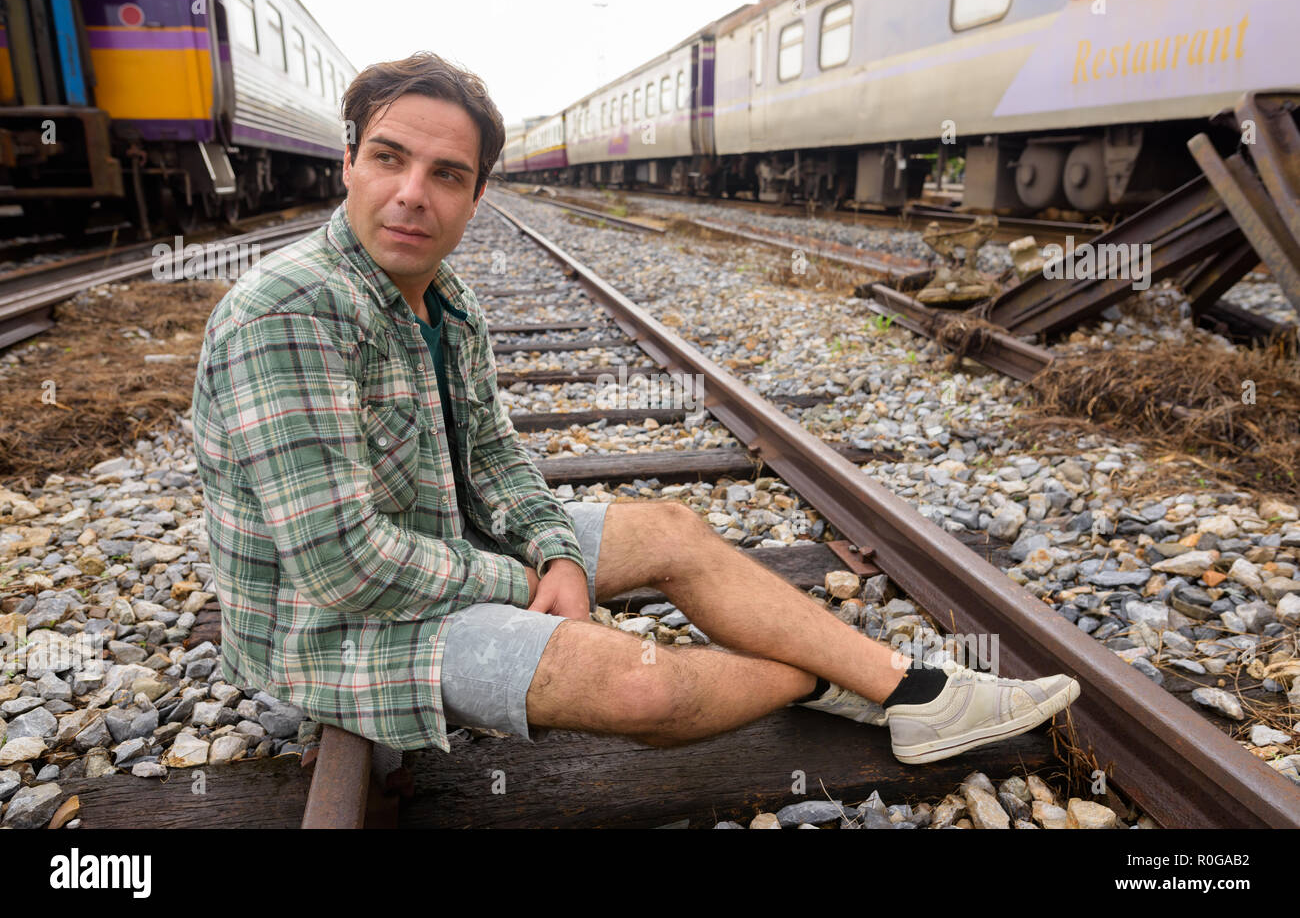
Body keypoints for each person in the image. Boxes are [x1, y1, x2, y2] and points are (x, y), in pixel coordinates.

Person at [191, 52, 1079, 768]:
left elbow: (495, 459)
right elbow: (340, 565)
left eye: (446, 173)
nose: (412, 192)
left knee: (672, 529)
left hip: (440, 540)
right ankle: (820, 679)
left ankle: (912, 690)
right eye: (389, 158)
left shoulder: (444, 297)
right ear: (349, 160)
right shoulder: (290, 309)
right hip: (330, 632)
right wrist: (530, 582)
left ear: (477, 197)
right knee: (642, 686)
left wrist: (547, 546)